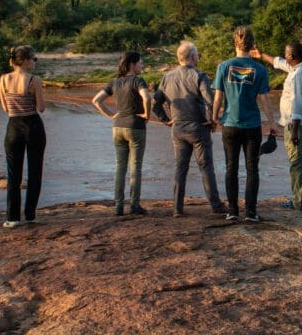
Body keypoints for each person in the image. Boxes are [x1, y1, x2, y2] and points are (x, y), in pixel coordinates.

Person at [212, 26, 278, 223]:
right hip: (252, 126)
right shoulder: (260, 69)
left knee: (231, 168)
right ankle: (250, 212)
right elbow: (264, 99)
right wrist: (272, 123)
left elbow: (218, 97)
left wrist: (214, 118)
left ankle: (232, 211)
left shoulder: (224, 66)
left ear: (235, 43)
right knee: (252, 169)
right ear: (252, 45)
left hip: (230, 125)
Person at [158, 41, 227, 217]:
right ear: (193, 57)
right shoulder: (199, 75)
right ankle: (215, 205)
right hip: (198, 128)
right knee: (206, 166)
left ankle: (177, 208)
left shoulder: (167, 77)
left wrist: (166, 120)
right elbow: (210, 101)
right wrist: (212, 120)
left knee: (180, 167)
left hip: (178, 127)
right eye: (197, 55)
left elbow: (156, 103)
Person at [252, 42, 302, 210]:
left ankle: (298, 202)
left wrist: (294, 131)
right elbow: (278, 62)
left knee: (296, 163)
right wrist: (261, 55)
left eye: (286, 54)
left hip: (298, 125)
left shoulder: (298, 75)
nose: (284, 56)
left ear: (292, 56)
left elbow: (297, 104)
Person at [92, 51, 151, 216]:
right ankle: (134, 205)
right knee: (136, 167)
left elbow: (96, 101)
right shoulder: (138, 81)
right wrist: (146, 115)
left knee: (120, 167)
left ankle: (118, 206)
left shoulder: (114, 82)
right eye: (140, 62)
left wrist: (112, 115)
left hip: (117, 127)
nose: (142, 65)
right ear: (132, 64)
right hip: (135, 127)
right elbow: (147, 98)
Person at [0, 45, 46, 228]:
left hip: (13, 126)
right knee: (35, 172)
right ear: (25, 61)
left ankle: (12, 217)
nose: (35, 62)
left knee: (13, 174)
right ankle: (30, 215)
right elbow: (41, 108)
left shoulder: (3, 79)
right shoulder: (34, 80)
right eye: (34, 59)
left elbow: (5, 108)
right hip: (33, 126)